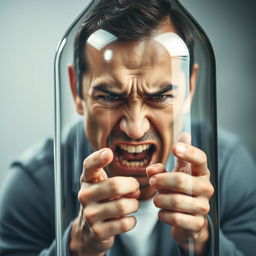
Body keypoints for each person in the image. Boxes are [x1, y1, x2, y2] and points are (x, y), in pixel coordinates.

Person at [0, 1, 255, 256]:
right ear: (76, 89)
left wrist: (203, 241)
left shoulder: (229, 170)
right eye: (110, 97)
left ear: (190, 87)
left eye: (160, 97)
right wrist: (75, 248)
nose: (135, 128)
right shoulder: (32, 186)